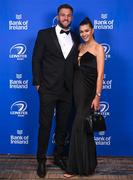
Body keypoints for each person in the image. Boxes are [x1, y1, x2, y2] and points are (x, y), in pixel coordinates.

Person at [32, 4, 79, 178]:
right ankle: (41, 160)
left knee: (62, 126)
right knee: (44, 125)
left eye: (68, 15)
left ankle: (58, 157)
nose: (65, 18)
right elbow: (36, 59)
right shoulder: (44, 34)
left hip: (67, 90)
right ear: (57, 16)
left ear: (72, 17)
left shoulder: (75, 37)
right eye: (62, 15)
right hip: (48, 88)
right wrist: (37, 83)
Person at [64, 17, 105, 178]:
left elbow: (100, 74)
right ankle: (89, 165)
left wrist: (98, 96)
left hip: (89, 93)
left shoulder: (98, 48)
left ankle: (73, 167)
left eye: (87, 30)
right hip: (76, 92)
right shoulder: (79, 46)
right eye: (81, 31)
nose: (84, 34)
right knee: (86, 128)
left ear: (92, 30)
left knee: (78, 126)